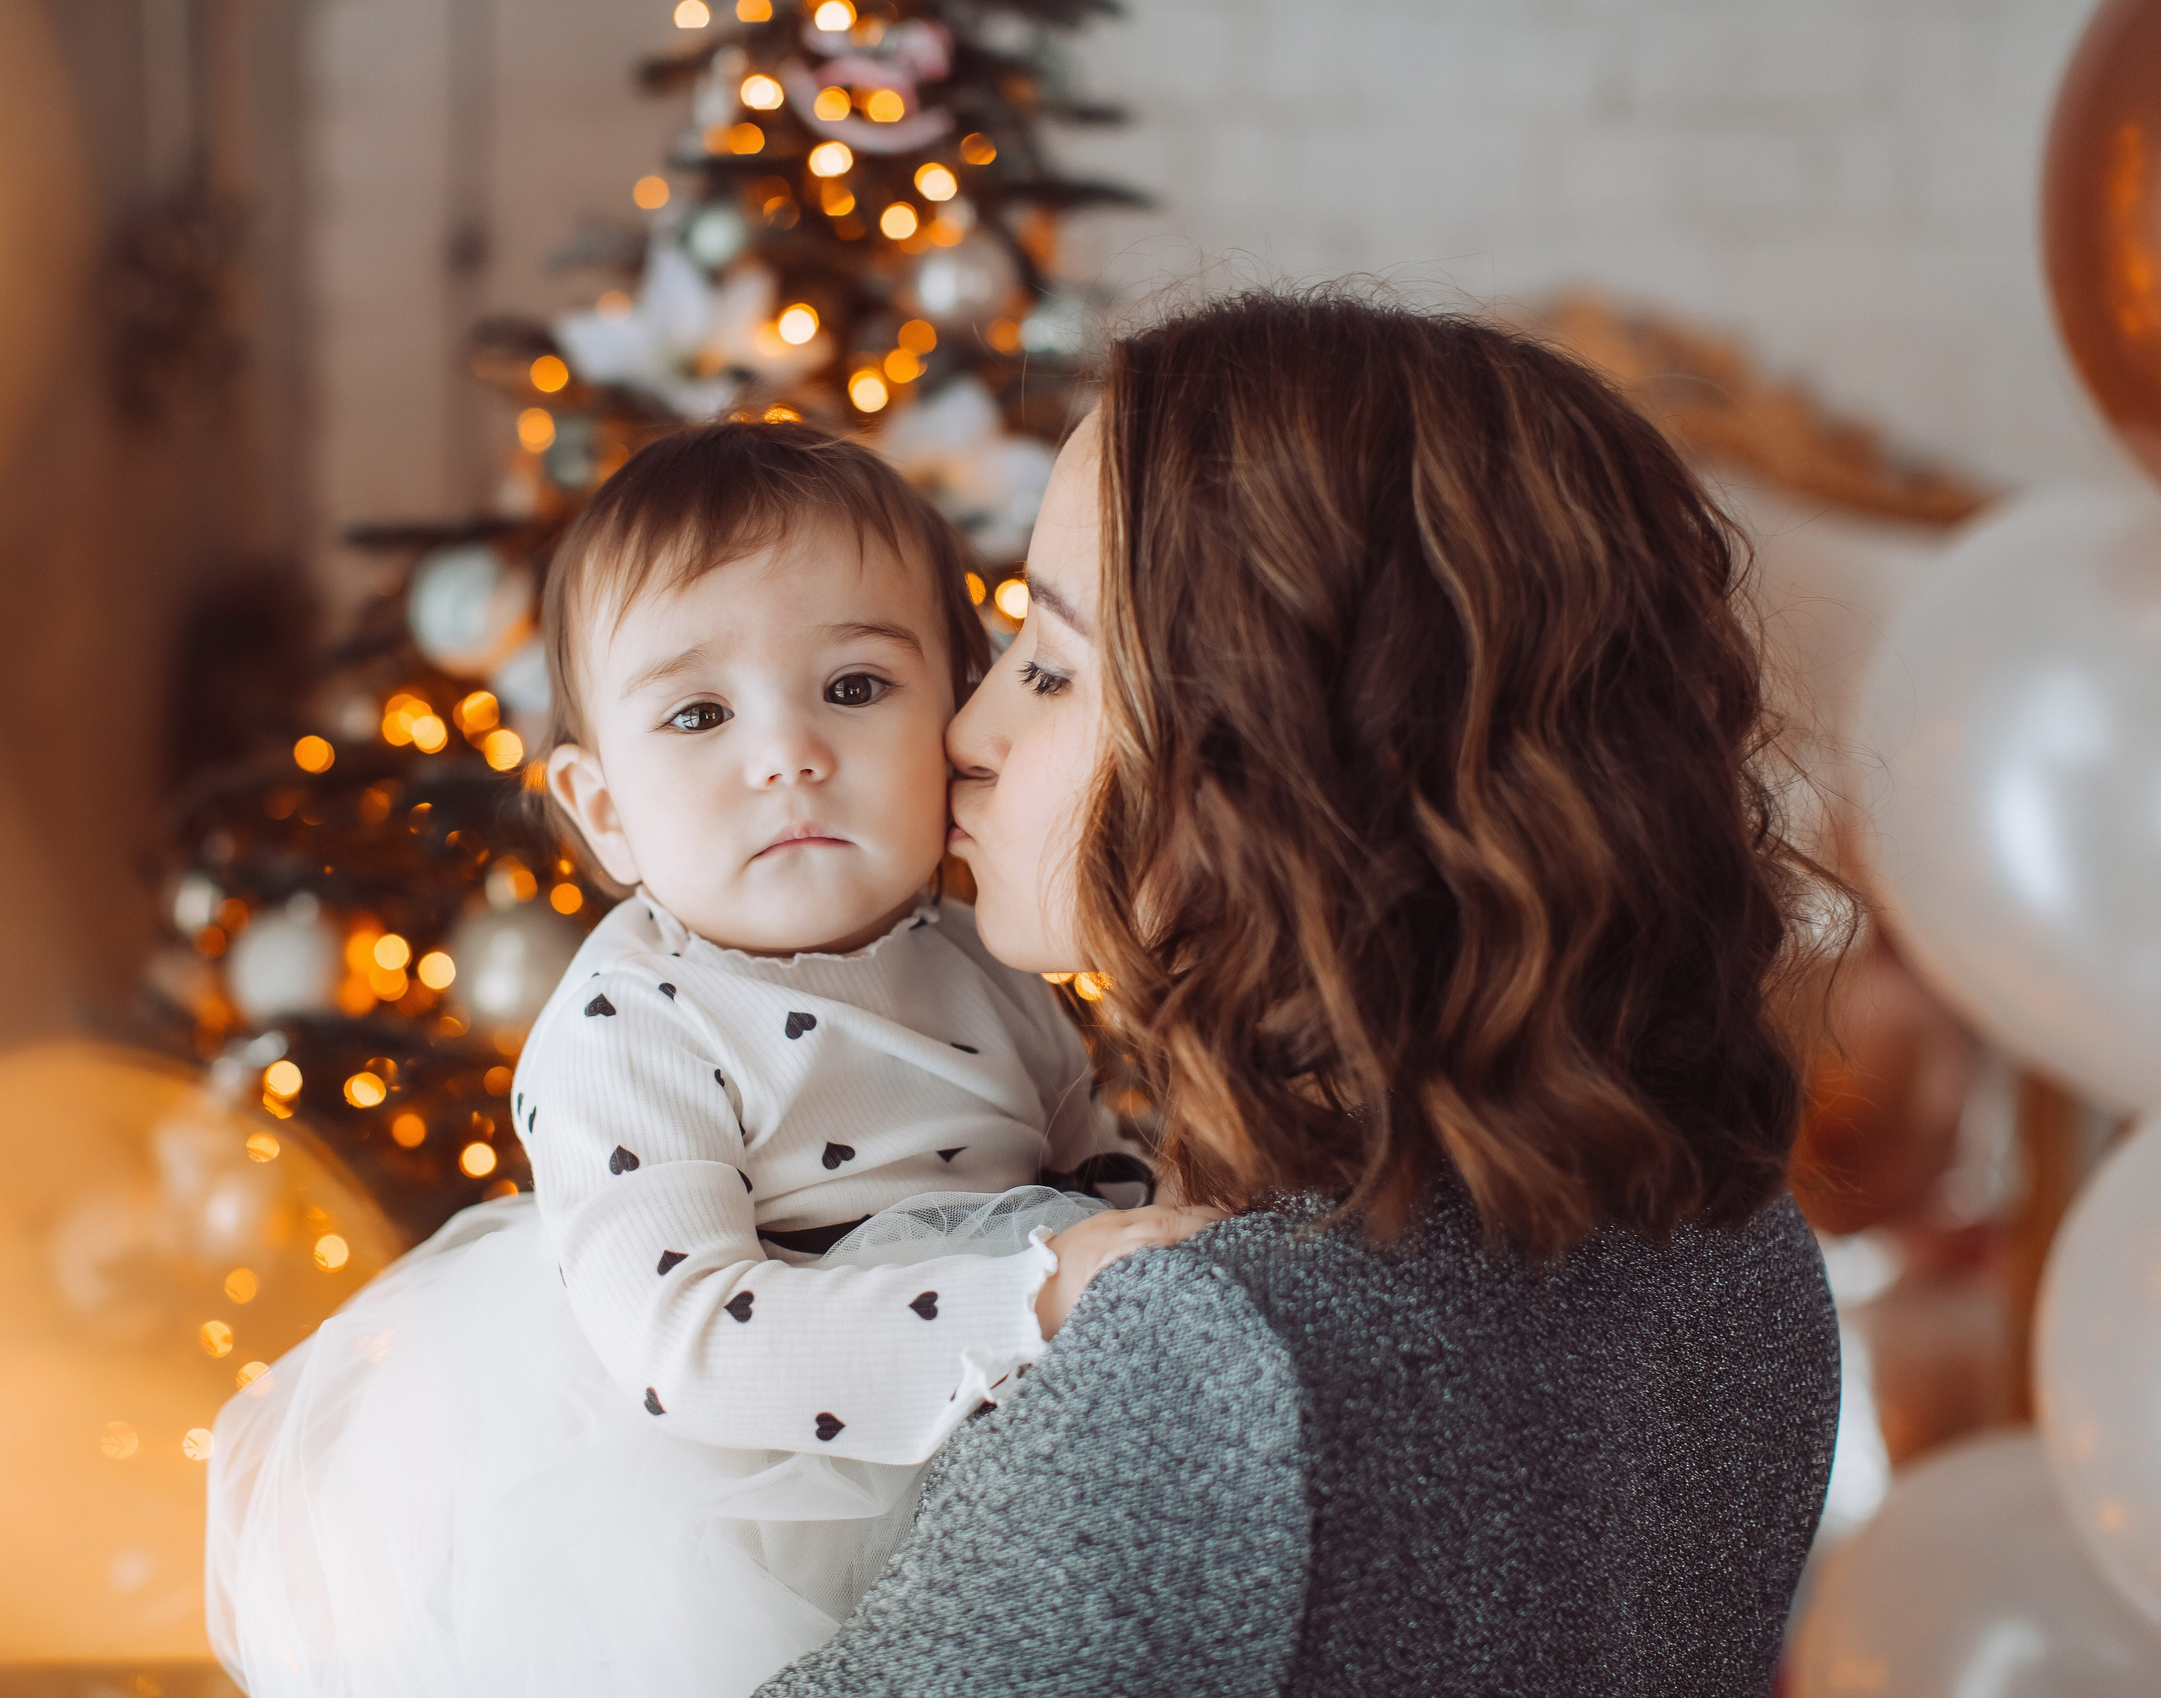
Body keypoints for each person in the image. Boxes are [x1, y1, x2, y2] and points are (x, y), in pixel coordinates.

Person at [760, 290, 1843, 1698]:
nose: (968, 732)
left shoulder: (1213, 1356)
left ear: (1282, 761)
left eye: (1051, 663)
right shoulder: (1744, 1255)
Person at [204, 420, 1218, 1698]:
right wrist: (1035, 1297)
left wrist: (1159, 1233)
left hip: (1000, 1446)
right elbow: (685, 1338)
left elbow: (1085, 1166)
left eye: (855, 688)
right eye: (697, 713)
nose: (786, 751)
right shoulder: (634, 1024)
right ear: (606, 810)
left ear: (951, 718)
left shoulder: (991, 952)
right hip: (730, 1491)